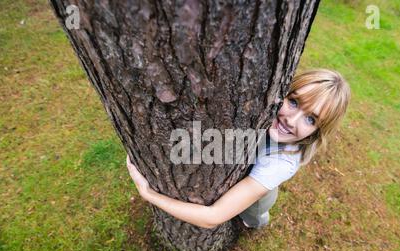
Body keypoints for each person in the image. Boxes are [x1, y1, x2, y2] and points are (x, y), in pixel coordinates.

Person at [126, 69, 351, 229]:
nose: (292, 120)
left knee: (250, 217)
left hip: (258, 199)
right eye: (294, 102)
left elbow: (212, 217)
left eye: (311, 119)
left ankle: (258, 223)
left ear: (317, 132)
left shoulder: (280, 164)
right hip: (246, 166)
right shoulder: (263, 107)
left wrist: (149, 194)